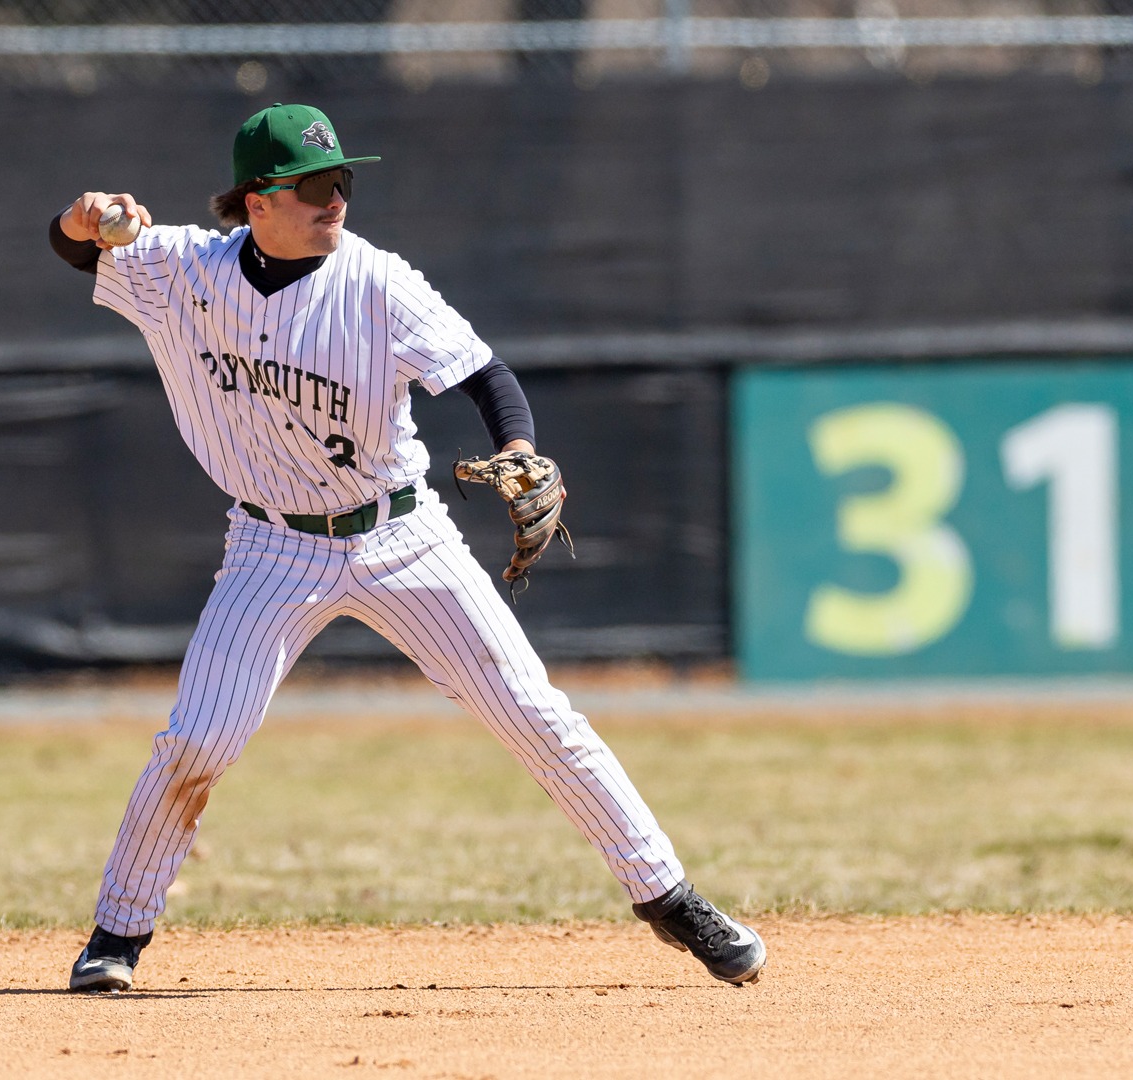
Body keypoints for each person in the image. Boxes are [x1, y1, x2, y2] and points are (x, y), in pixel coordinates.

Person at [47, 103, 764, 992]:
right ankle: (117, 934)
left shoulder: (379, 281)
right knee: (199, 739)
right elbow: (80, 249)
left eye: (342, 180)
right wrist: (82, 222)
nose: (336, 198)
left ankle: (669, 898)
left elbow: (484, 376)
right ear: (258, 200)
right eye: (314, 185)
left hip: (402, 535)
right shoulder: (181, 267)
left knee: (537, 717)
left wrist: (515, 449)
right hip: (270, 546)